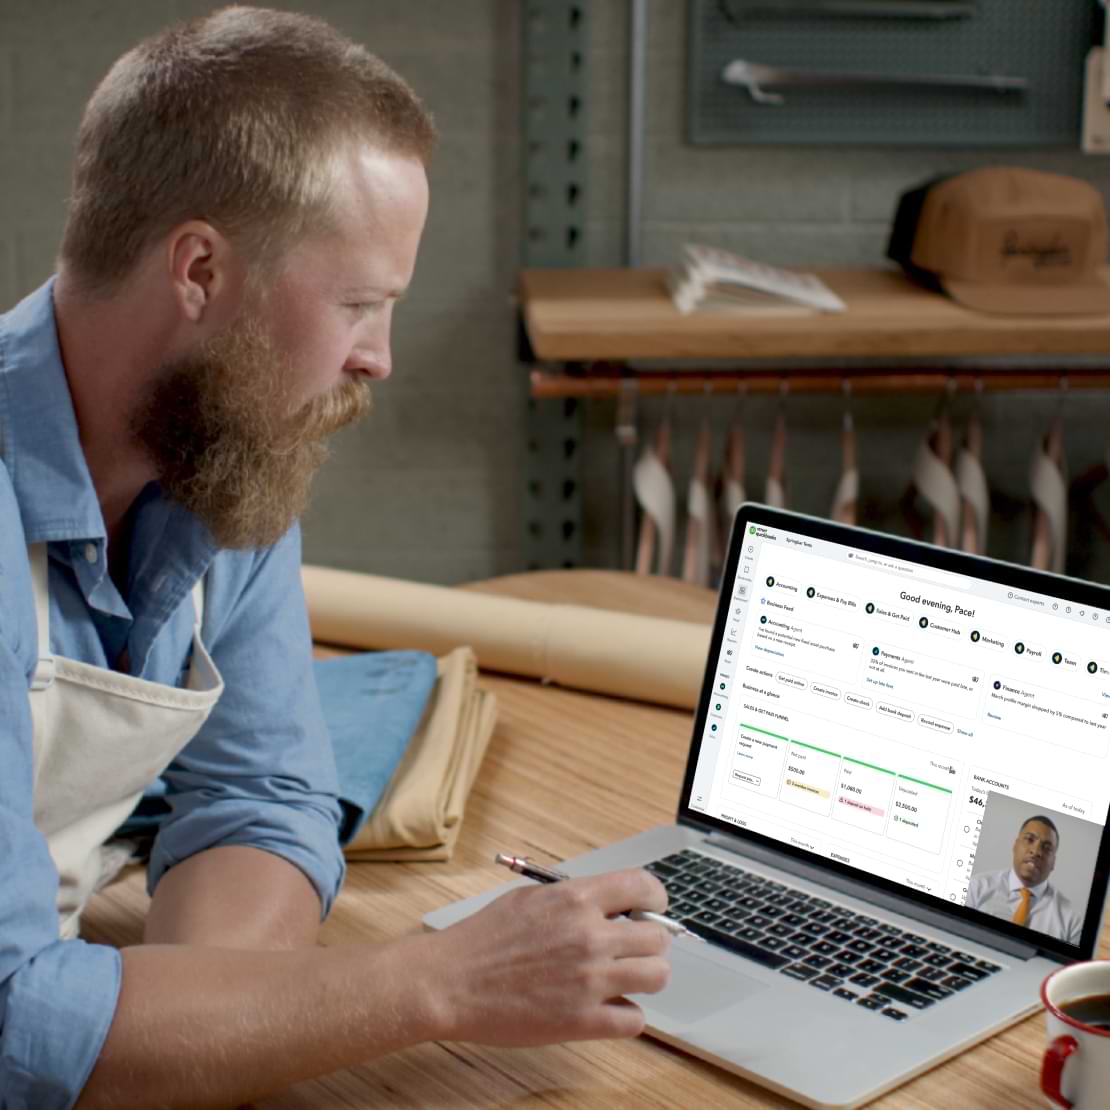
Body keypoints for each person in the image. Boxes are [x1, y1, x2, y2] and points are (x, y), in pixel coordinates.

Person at [0, 8, 671, 1108]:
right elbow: (14, 1024)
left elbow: (259, 798)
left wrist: (200, 1041)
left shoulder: (221, 455)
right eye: (359, 303)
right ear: (200, 270)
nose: (381, 358)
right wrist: (441, 983)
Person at [965, 814, 1083, 945]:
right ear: (1015, 846)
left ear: (1053, 862)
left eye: (1046, 848)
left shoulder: (1072, 921)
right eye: (1030, 839)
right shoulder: (977, 887)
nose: (1036, 851)